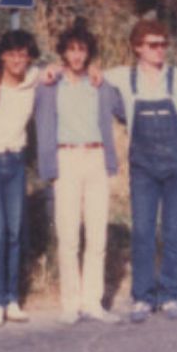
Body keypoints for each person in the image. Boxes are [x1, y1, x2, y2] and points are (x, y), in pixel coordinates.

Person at [104, 19, 177, 322]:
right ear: (137, 48)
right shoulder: (122, 77)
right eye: (152, 45)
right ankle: (143, 297)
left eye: (163, 44)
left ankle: (171, 295)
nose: (160, 50)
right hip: (143, 167)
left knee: (175, 230)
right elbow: (89, 77)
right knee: (144, 230)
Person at [34, 20, 125, 325]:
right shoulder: (49, 85)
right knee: (68, 234)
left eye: (82, 50)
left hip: (96, 157)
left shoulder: (99, 85)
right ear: (63, 53)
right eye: (71, 50)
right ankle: (70, 303)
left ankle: (93, 302)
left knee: (97, 234)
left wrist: (107, 79)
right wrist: (46, 70)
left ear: (89, 54)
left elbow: (124, 110)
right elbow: (19, 79)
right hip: (66, 159)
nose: (76, 56)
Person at [0, 30, 41, 328]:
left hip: (15, 161)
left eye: (23, 54)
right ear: (2, 55)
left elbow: (62, 69)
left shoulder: (33, 81)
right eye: (12, 53)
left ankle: (12, 299)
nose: (18, 59)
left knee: (15, 233)